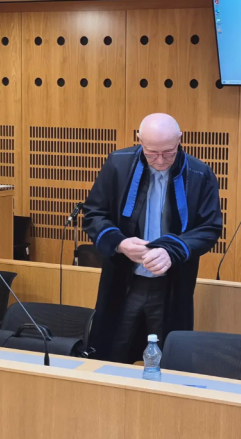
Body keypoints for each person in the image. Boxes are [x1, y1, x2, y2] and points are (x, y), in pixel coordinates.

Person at [82, 113, 223, 363]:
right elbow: (94, 214)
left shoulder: (199, 173)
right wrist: (120, 243)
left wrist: (171, 250)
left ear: (179, 139)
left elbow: (210, 227)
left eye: (168, 152)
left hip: (172, 284)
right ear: (140, 140)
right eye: (151, 153)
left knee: (170, 360)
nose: (160, 160)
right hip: (123, 281)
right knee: (109, 355)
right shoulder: (118, 164)